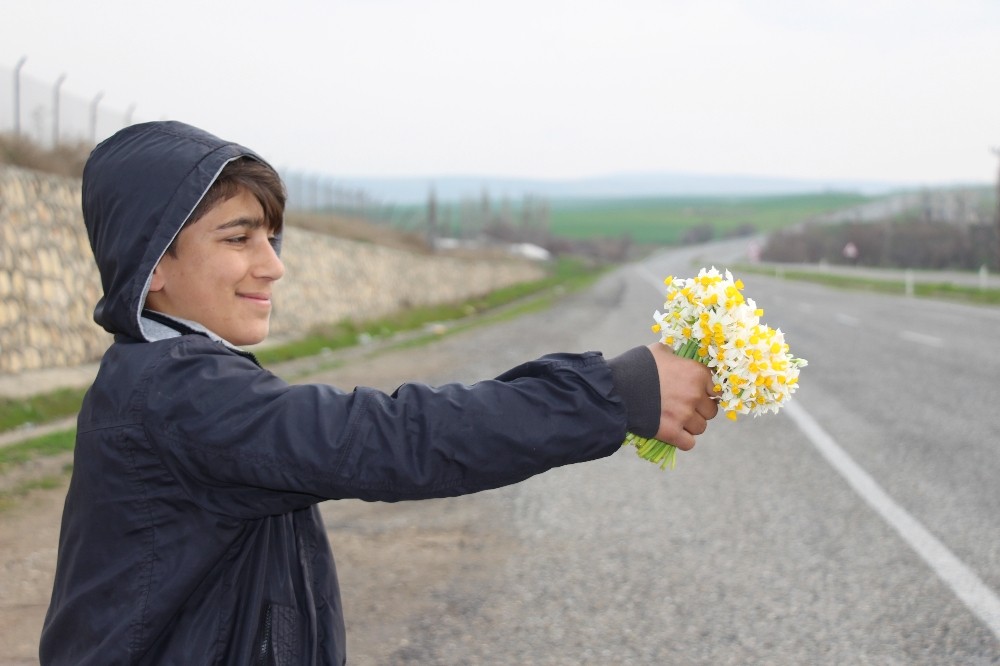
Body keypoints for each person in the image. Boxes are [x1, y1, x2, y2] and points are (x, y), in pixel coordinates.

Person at [40, 121, 719, 665]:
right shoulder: (180, 395)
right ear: (154, 261)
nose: (272, 266)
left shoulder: (167, 375)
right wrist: (610, 393)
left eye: (272, 238)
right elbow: (391, 439)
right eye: (240, 238)